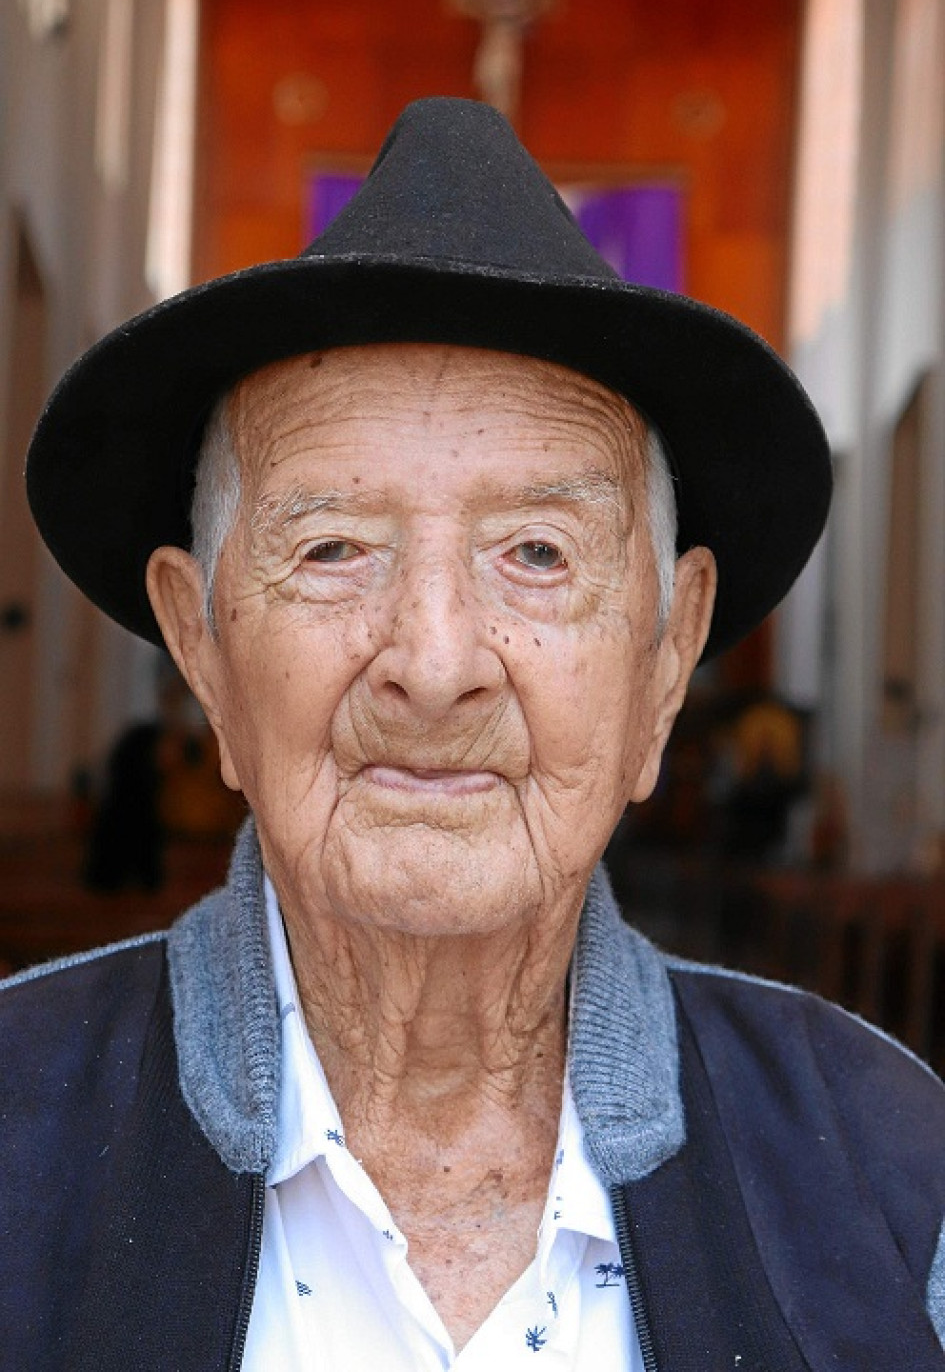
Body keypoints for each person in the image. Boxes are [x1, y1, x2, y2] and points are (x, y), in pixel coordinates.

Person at [4, 97, 944, 1371]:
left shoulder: (890, 1166)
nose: (435, 664)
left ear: (665, 661)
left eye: (538, 553)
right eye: (332, 547)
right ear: (204, 650)